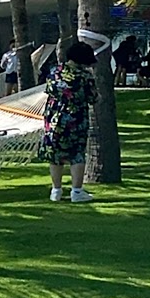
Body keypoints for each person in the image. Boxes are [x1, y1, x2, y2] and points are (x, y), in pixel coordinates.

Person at [39, 41, 98, 203]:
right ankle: (76, 192)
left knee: (55, 155)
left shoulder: (54, 72)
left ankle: (56, 191)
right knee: (76, 154)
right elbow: (93, 98)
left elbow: (49, 91)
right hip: (75, 118)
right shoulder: (85, 76)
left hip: (53, 119)